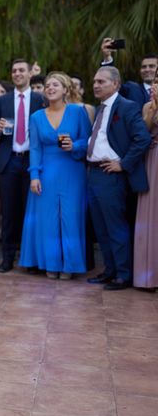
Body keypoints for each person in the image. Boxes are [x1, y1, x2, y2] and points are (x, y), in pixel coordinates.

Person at [19, 72, 92, 279]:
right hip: (46, 171)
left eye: (55, 85)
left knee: (70, 217)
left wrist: (75, 145)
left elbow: (88, 141)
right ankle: (50, 263)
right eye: (47, 85)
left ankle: (70, 265)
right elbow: (34, 148)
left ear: (66, 90)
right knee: (48, 218)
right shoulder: (36, 117)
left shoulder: (78, 112)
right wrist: (34, 175)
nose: (50, 88)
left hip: (72, 170)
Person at [86, 66, 151, 290]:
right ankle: (110, 270)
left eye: (101, 81)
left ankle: (123, 275)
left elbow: (142, 139)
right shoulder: (99, 108)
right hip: (93, 173)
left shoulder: (127, 107)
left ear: (116, 84)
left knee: (115, 227)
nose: (96, 85)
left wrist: (123, 164)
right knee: (100, 227)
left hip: (110, 175)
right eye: (95, 81)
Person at [0, 60, 46, 273]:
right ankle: (7, 258)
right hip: (9, 160)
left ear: (30, 74)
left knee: (29, 211)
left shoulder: (40, 99)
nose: (17, 73)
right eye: (14, 71)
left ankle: (29, 258)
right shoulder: (3, 100)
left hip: (32, 161)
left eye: (21, 70)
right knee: (9, 211)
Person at [133, 69, 158, 290]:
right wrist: (153, 107)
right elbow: (145, 131)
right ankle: (148, 276)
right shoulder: (147, 106)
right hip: (152, 159)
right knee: (150, 213)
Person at [101, 38, 157, 108]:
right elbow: (111, 83)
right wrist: (107, 59)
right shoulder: (132, 89)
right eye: (144, 67)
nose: (147, 69)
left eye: (151, 66)